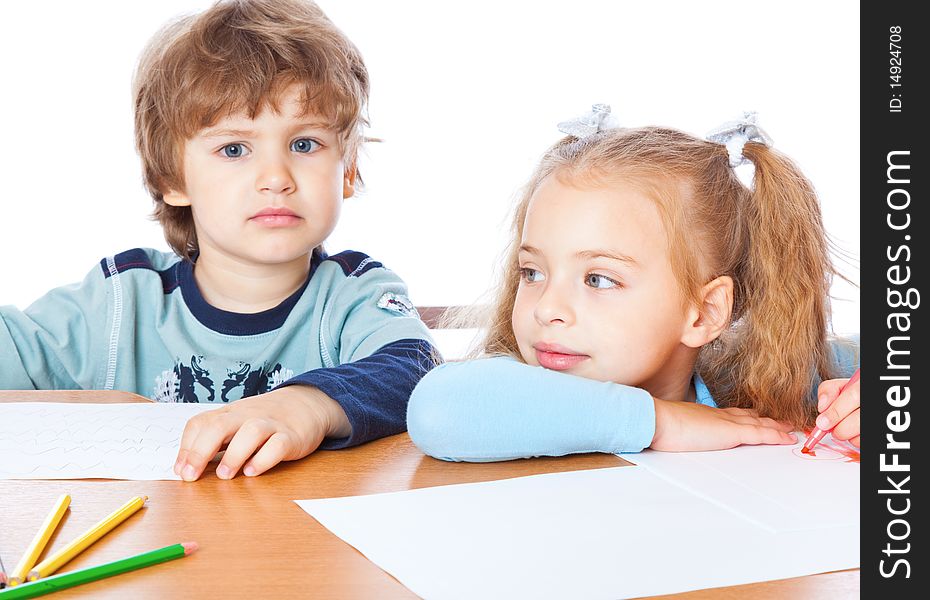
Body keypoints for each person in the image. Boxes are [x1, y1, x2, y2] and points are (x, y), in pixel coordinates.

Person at [0, 0, 437, 480]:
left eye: (304, 144)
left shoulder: (355, 295)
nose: (276, 177)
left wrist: (307, 406)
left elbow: (415, 370)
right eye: (234, 149)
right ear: (172, 177)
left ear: (347, 169)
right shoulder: (122, 303)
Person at [407, 107, 858, 462]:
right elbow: (437, 410)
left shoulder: (758, 383)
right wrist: (660, 422)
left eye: (598, 279)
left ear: (704, 312)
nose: (547, 309)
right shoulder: (504, 394)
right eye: (533, 273)